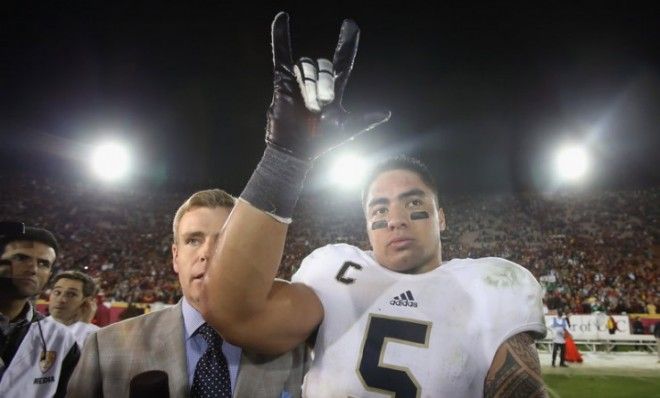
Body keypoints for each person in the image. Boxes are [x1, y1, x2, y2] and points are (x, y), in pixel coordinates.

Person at [200, 13, 547, 397]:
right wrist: (285, 157)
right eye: (379, 210)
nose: (395, 219)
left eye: (412, 202)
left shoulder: (489, 284)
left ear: (441, 217)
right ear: (365, 224)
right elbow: (234, 313)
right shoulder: (336, 271)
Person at [67, 189, 306, 397]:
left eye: (225, 240)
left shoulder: (294, 349)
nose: (208, 253)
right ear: (175, 256)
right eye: (193, 240)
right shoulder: (106, 346)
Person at [0, 221, 79, 397]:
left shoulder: (60, 339)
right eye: (21, 258)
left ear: (50, 275)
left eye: (44, 263)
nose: (33, 269)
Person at [48, 270, 100, 347]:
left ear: (87, 301)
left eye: (71, 294)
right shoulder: (33, 328)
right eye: (57, 292)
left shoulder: (97, 336)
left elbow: (65, 356)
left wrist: (83, 326)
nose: (61, 299)